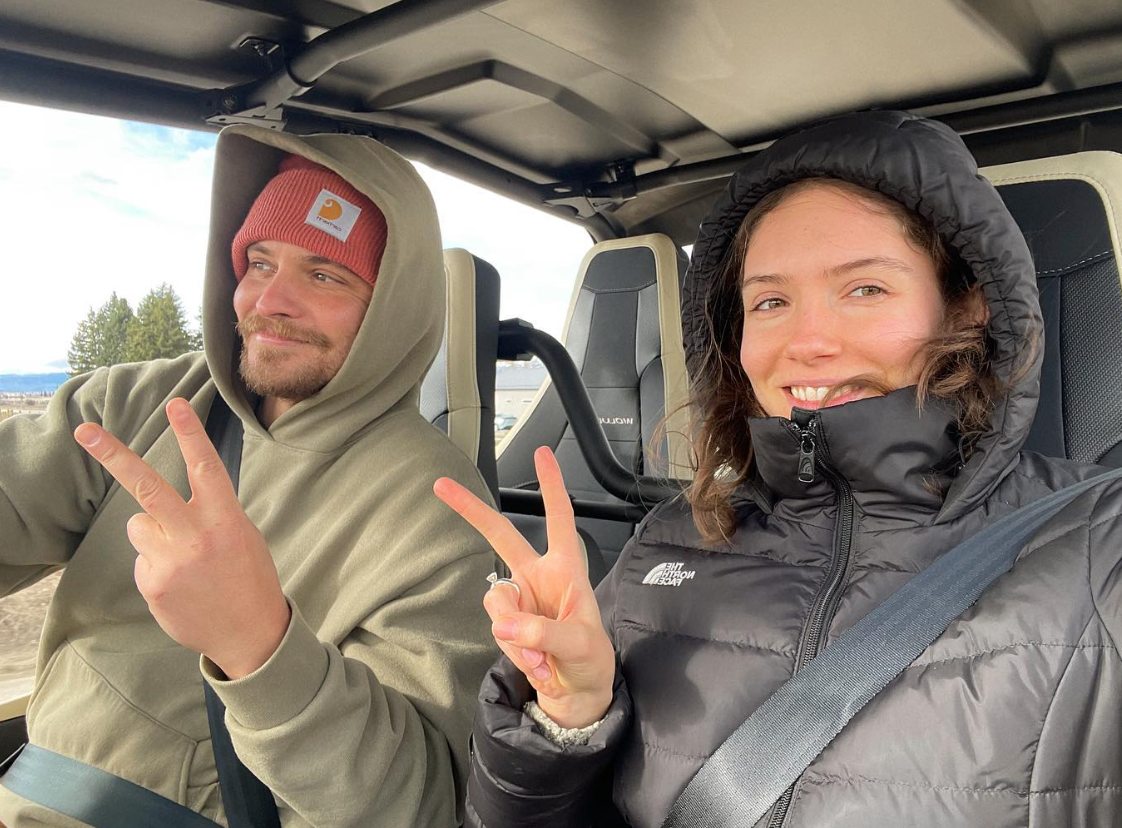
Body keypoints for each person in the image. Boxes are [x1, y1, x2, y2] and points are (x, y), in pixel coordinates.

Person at [434, 110, 1122, 827]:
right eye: (770, 301)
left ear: (968, 306)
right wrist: (566, 718)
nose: (808, 340)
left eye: (865, 289)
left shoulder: (1100, 548)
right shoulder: (664, 546)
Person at [0, 125, 497, 827]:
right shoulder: (146, 404)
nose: (269, 302)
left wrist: (259, 644)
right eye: (259, 263)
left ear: (392, 308)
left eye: (324, 275)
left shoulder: (439, 509)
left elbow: (415, 806)